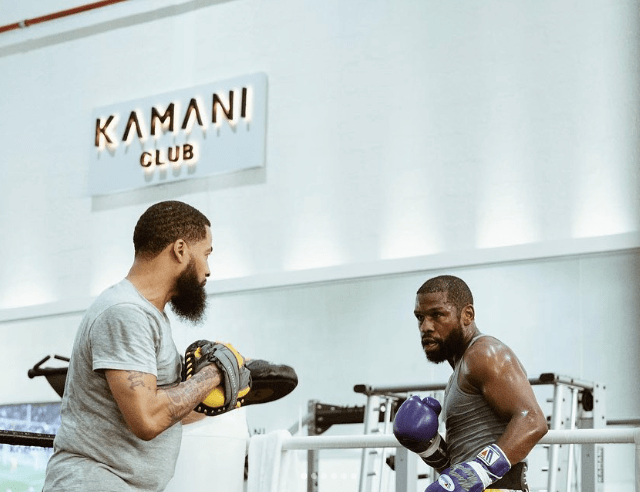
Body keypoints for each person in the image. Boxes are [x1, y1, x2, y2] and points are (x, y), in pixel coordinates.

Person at [43, 200, 233, 492]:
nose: (208, 269)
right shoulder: (125, 312)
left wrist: (237, 391)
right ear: (180, 250)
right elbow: (147, 418)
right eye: (206, 254)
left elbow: (167, 409)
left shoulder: (149, 315)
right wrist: (212, 374)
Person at [394, 275, 548, 492]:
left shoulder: (484, 353)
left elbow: (533, 420)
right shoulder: (460, 369)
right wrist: (429, 448)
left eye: (437, 315)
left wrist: (471, 475)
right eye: (420, 317)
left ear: (467, 315)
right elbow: (462, 469)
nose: (425, 327)